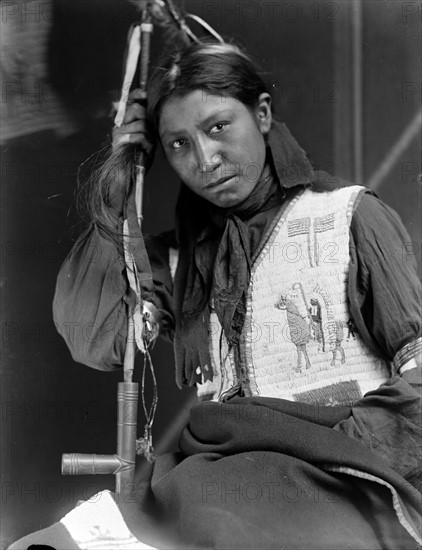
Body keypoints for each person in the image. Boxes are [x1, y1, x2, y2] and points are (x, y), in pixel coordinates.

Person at [10, 42, 422, 550]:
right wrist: (122, 172)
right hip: (214, 480)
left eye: (218, 127)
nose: (205, 159)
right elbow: (94, 338)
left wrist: (327, 449)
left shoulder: (349, 218)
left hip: (343, 479)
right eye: (178, 144)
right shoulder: (184, 262)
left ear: (262, 114)